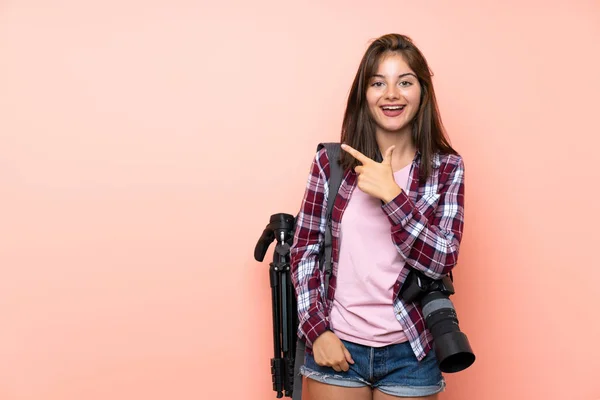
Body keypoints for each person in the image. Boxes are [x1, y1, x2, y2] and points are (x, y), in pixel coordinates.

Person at [290, 33, 465, 400]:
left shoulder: (446, 168)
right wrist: (317, 330)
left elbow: (442, 258)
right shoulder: (331, 163)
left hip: (411, 352)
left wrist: (392, 195)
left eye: (405, 82)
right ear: (364, 95)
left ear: (422, 93)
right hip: (337, 344)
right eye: (378, 83)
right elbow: (303, 251)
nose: (391, 94)